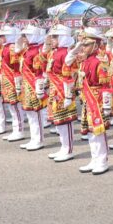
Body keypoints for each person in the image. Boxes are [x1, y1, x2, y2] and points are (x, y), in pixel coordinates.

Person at [69, 27, 112, 174]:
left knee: (98, 132)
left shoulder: (100, 61)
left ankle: (102, 161)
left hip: (97, 99)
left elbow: (106, 85)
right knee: (90, 132)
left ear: (95, 45)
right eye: (83, 44)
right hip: (88, 99)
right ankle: (94, 159)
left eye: (86, 44)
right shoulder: (84, 61)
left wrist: (106, 105)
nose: (83, 47)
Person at [45, 23, 79, 162]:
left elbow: (71, 75)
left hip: (63, 91)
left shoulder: (66, 52)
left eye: (55, 37)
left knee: (65, 121)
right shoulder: (54, 52)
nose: (51, 39)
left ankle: (68, 149)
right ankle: (63, 147)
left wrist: (68, 95)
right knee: (58, 122)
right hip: (54, 90)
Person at [17, 24, 48, 151]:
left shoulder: (37, 51)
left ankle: (38, 140)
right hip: (26, 85)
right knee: (30, 113)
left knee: (36, 113)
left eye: (26, 36)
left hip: (34, 85)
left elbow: (39, 71)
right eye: (24, 36)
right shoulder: (28, 50)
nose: (24, 38)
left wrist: (39, 87)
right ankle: (33, 138)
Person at [0, 25, 25, 142]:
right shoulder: (5, 47)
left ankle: (19, 130)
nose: (1, 38)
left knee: (16, 107)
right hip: (7, 80)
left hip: (13, 81)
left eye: (3, 35)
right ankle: (15, 129)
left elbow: (16, 67)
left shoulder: (12, 48)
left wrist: (17, 83)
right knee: (11, 107)